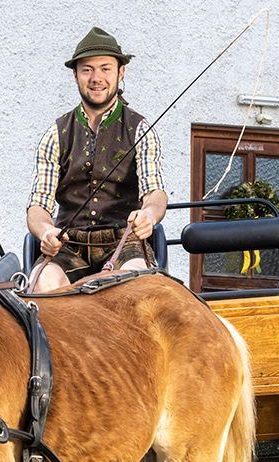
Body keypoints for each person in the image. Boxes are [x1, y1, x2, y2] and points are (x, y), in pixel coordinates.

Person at [27, 27, 168, 291]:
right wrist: (46, 231)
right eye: (87, 69)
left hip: (124, 242)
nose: (96, 78)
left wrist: (149, 214)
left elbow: (155, 193)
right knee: (43, 284)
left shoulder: (141, 129)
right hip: (69, 245)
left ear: (120, 73)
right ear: (76, 75)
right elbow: (38, 206)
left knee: (133, 283)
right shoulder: (55, 134)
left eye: (105, 68)